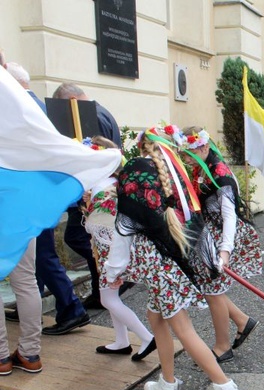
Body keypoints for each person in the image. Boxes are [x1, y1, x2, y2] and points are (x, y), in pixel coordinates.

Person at [104, 127, 243, 390]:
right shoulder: (176, 173)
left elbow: (124, 226)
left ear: (141, 148)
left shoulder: (136, 174)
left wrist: (112, 270)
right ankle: (167, 383)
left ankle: (223, 386)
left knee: (182, 326)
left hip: (157, 265)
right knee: (156, 317)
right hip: (172, 261)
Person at [2, 65, 91, 335]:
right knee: (34, 266)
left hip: (23, 199)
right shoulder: (43, 108)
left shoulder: (17, 108)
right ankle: (34, 318)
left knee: (42, 258)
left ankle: (71, 308)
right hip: (42, 195)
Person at [180, 126, 261, 362]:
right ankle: (242, 321)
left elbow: (229, 215)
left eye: (189, 153)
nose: (185, 159)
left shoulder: (220, 174)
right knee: (210, 288)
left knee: (214, 291)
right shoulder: (202, 168)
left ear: (204, 147)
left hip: (221, 236)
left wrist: (225, 251)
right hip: (208, 233)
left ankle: (223, 346)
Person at [82, 136, 157, 360]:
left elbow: (100, 222)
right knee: (112, 296)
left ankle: (146, 337)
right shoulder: (112, 183)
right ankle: (121, 340)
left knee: (108, 299)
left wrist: (88, 205)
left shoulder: (105, 187)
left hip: (111, 250)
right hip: (108, 247)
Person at [52, 82, 123, 311]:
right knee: (89, 240)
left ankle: (114, 271)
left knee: (79, 237)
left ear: (70, 101)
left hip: (95, 191)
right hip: (96, 190)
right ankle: (100, 288)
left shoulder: (90, 117)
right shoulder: (99, 111)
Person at [0, 240, 43, 375]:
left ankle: (2, 357)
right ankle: (30, 354)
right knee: (26, 281)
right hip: (23, 220)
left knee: (26, 281)